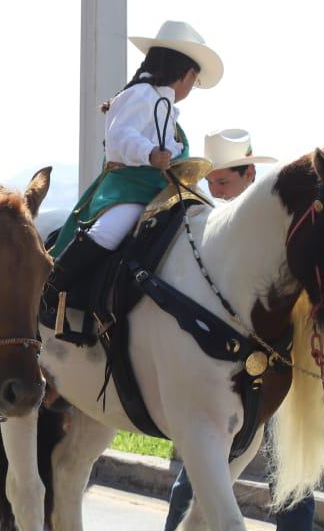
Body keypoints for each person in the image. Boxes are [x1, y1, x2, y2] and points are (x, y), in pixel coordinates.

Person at [157, 130, 318, 531]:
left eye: (224, 181)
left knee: (293, 474)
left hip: (279, 370)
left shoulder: (279, 229)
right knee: (204, 468)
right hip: (231, 375)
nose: (217, 190)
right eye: (214, 181)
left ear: (250, 175)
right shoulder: (216, 231)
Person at [45, 21, 223, 345]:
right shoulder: (139, 94)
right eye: (194, 81)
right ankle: (51, 288)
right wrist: (150, 152)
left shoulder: (166, 106)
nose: (191, 88)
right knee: (110, 232)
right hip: (128, 187)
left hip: (161, 190)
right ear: (184, 74)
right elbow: (118, 137)